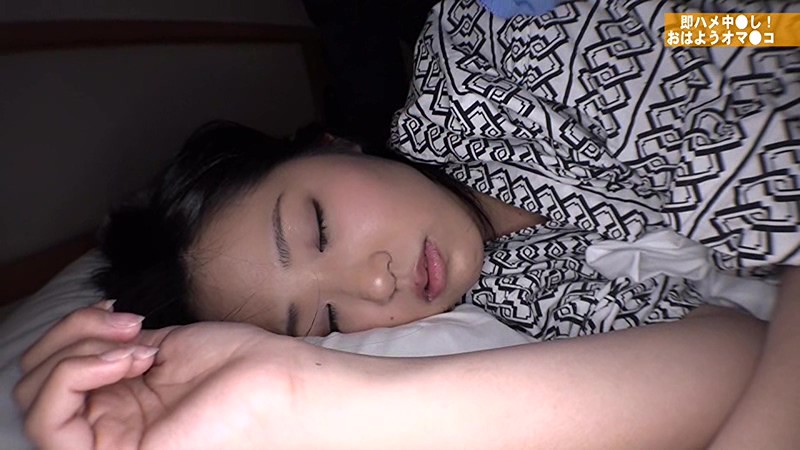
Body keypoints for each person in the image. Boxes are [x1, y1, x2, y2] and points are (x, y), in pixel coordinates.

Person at [15, 0, 800, 447]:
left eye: (319, 229)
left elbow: (739, 35)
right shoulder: (510, 296)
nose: (375, 284)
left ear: (331, 145)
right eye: (326, 320)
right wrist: (302, 393)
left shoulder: (491, 43)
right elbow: (731, 346)